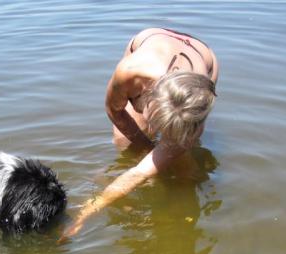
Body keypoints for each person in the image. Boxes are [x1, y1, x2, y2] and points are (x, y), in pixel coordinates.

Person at [62, 27, 219, 239]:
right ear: (147, 95)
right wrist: (85, 214)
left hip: (201, 58)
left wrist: (161, 158)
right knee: (124, 140)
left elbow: (139, 173)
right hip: (151, 40)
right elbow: (113, 110)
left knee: (185, 164)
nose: (162, 132)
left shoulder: (198, 103)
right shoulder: (131, 72)